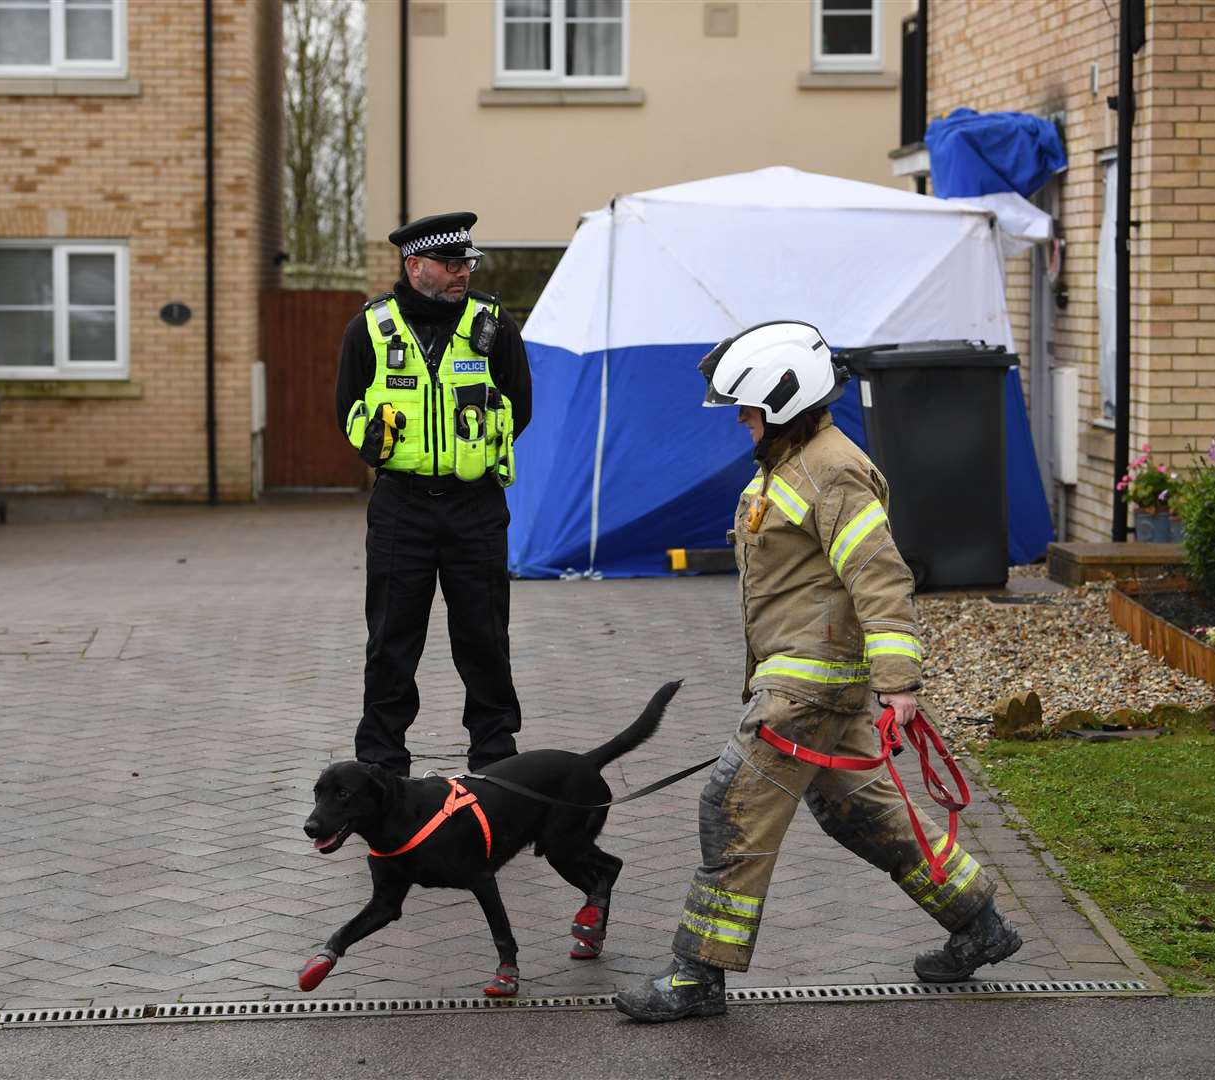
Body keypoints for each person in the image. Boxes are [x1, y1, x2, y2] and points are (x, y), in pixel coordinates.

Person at [615, 321, 1023, 1023]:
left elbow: (880, 577)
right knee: (857, 812)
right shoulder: (791, 461)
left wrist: (898, 682)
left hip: (807, 686)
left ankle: (696, 976)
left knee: (733, 806)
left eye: (746, 407)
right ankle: (978, 923)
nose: (740, 420)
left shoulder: (831, 470)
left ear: (782, 402)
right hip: (809, 677)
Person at [334, 211, 532, 777]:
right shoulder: (371, 328)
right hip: (402, 506)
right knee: (392, 638)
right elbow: (347, 408)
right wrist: (381, 443)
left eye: (466, 262)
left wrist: (466, 457)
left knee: (484, 635)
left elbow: (518, 406)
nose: (461, 273)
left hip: (476, 506)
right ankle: (381, 759)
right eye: (449, 264)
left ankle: (495, 758)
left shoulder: (493, 325)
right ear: (414, 264)